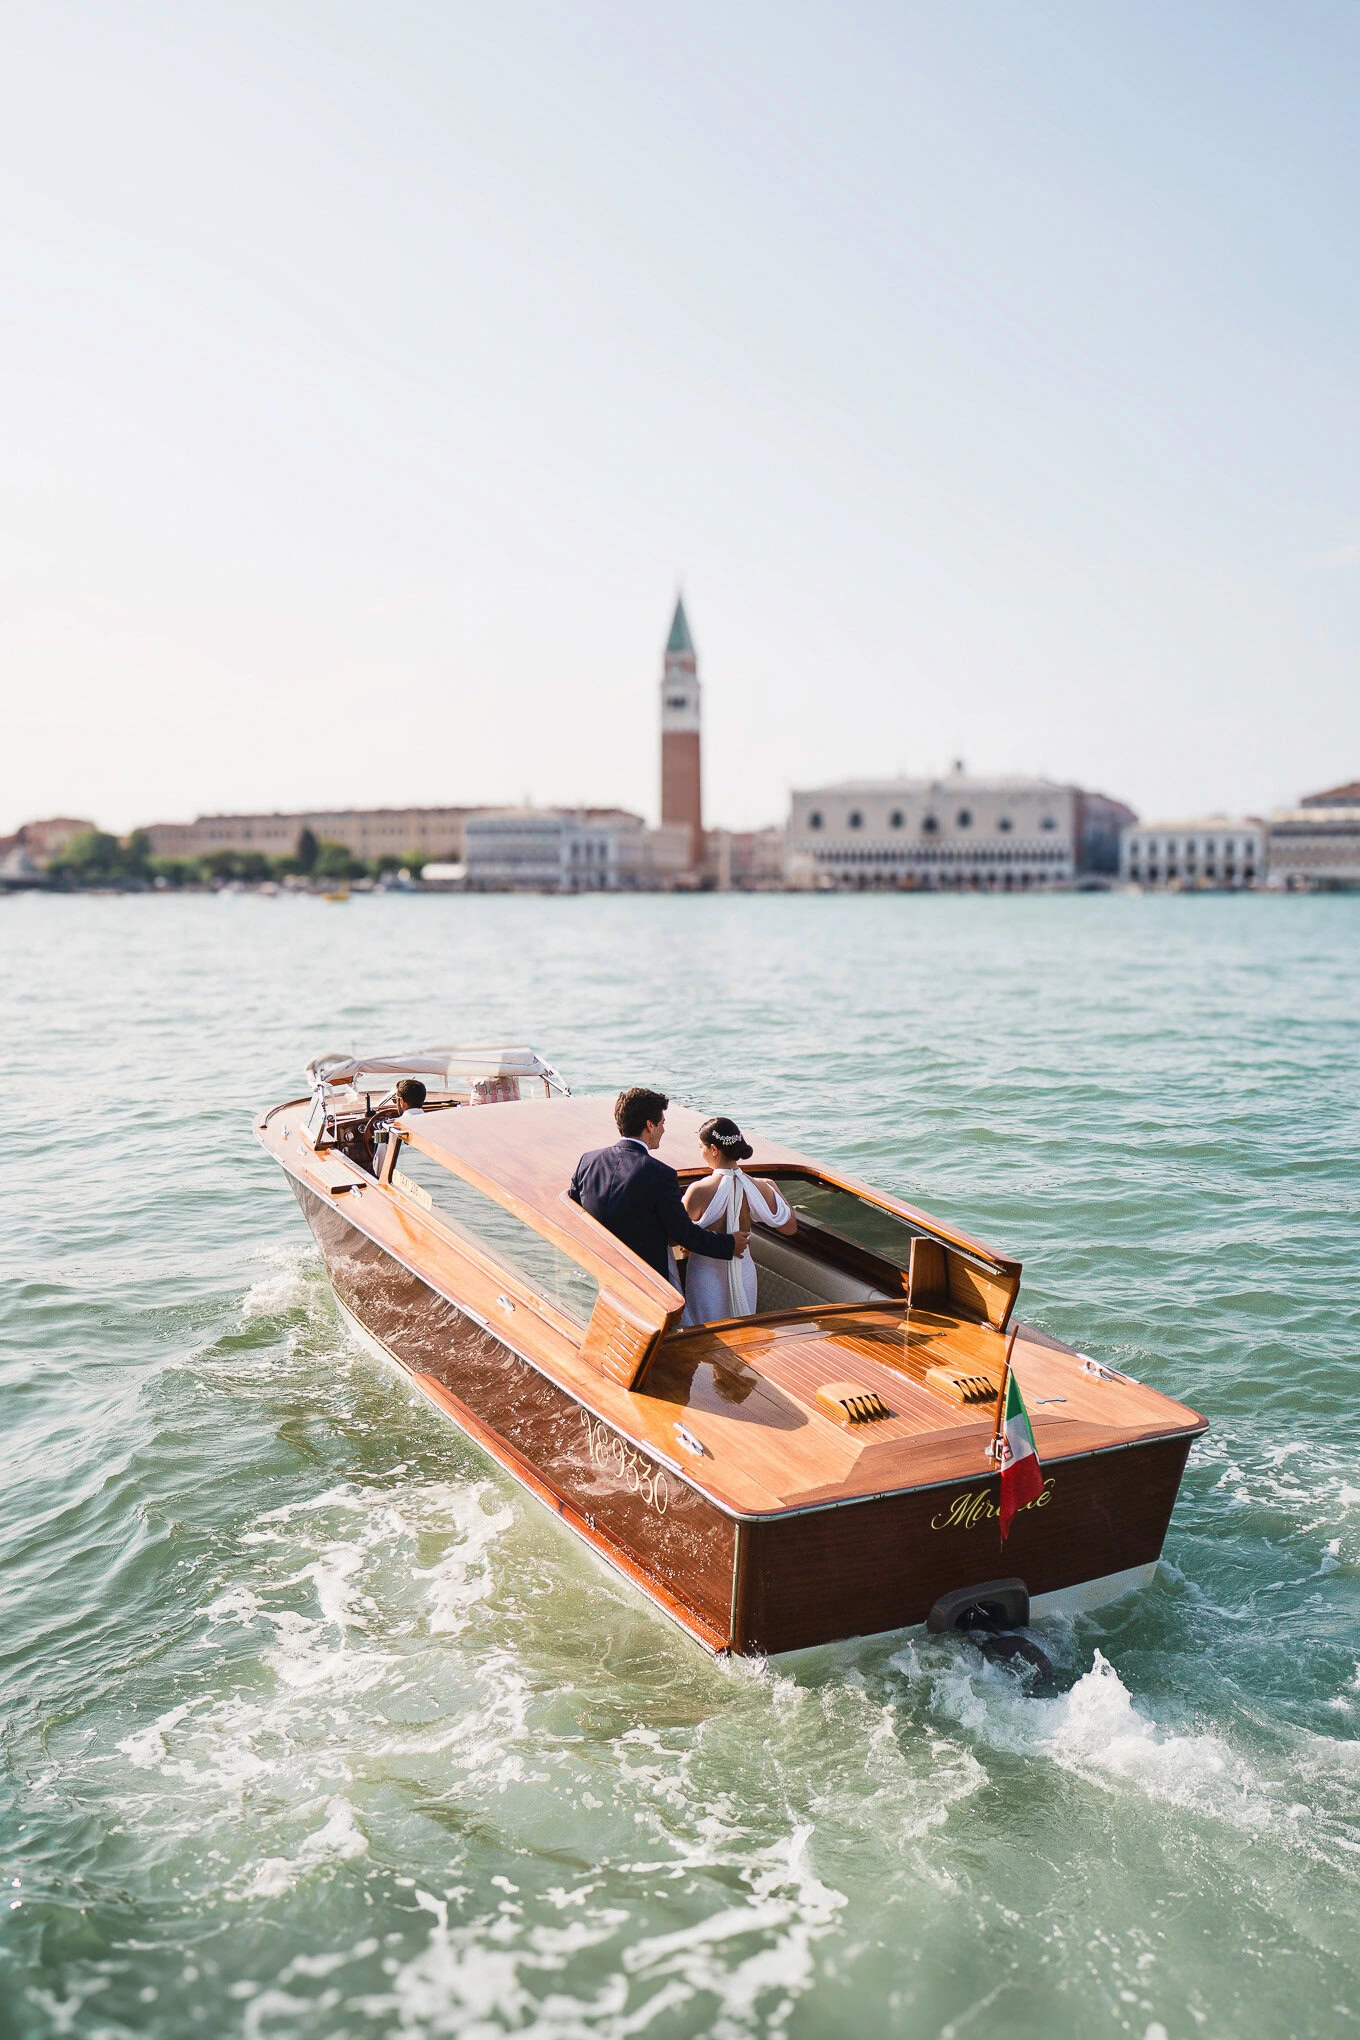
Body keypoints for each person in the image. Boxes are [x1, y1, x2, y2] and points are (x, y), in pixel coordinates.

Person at [569, 1088, 749, 1288]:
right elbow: (684, 1234)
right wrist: (729, 1244)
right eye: (662, 1123)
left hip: (595, 1272)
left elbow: (573, 1215)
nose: (663, 1130)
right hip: (645, 1283)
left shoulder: (588, 1161)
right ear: (650, 1125)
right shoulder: (660, 1174)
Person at [680, 1116, 797, 1326]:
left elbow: (675, 1235)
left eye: (701, 1147)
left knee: (707, 1335)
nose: (701, 1153)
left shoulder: (699, 1190)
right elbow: (789, 1227)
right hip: (744, 1273)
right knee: (743, 1330)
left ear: (714, 1149)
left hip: (706, 1277)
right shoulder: (764, 1186)